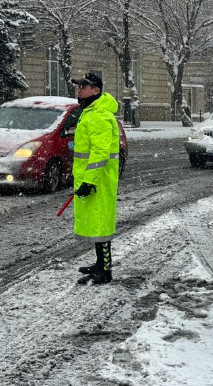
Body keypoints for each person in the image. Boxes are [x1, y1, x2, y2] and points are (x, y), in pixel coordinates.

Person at [70, 72, 121, 285]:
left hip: (98, 180)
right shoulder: (90, 111)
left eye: (84, 85)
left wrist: (89, 181)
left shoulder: (99, 114)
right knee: (95, 222)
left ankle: (105, 270)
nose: (79, 88)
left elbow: (100, 153)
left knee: (100, 224)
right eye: (78, 85)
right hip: (91, 178)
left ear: (96, 90)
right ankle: (100, 263)